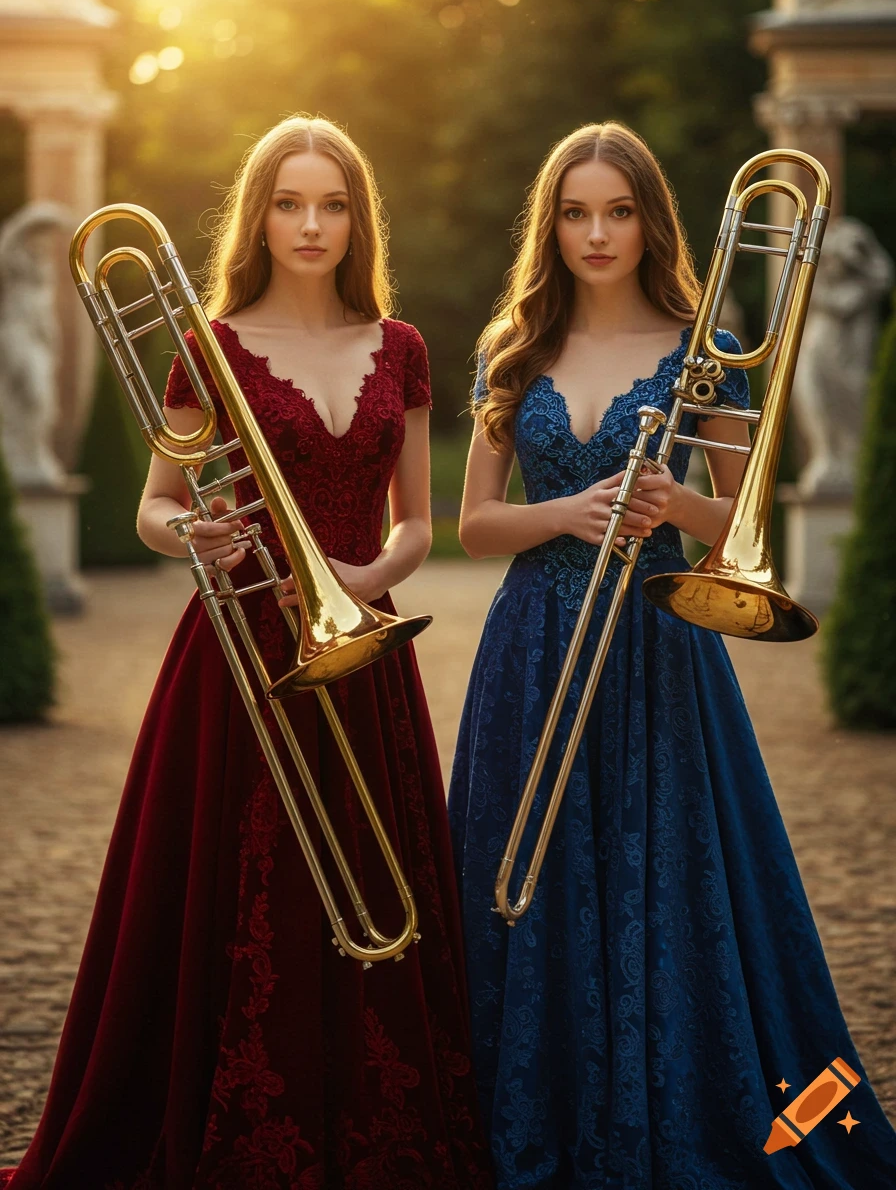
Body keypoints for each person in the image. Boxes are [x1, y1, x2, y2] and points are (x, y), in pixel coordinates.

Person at [1, 116, 493, 1189]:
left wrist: (364, 584)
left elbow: (417, 521)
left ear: (358, 218)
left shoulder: (399, 346)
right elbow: (152, 506)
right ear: (257, 218)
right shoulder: (205, 344)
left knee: (371, 873)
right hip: (237, 653)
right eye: (288, 202)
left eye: (331, 204)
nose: (310, 224)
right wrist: (197, 537)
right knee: (229, 887)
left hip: (359, 646)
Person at [447, 120, 896, 1189]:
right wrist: (562, 511)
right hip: (532, 645)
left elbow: (738, 524)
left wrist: (670, 500)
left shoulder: (702, 347)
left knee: (665, 880)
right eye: (573, 212)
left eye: (616, 210)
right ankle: (533, 1112)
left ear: (650, 219)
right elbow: (471, 523)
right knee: (530, 883)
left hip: (653, 643)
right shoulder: (511, 344)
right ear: (548, 224)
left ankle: (674, 1103)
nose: (595, 233)